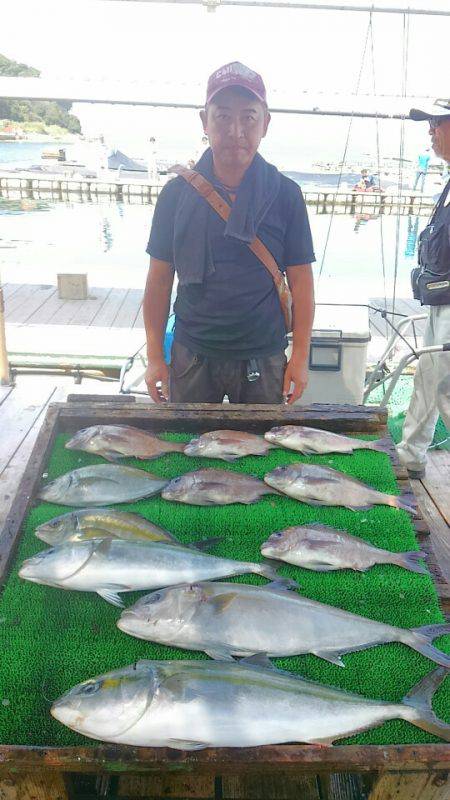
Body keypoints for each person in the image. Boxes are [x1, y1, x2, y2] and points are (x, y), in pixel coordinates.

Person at [143, 62, 315, 404]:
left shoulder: (286, 195)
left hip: (263, 358)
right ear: (204, 121)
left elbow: (302, 282)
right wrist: (153, 357)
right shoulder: (176, 195)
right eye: (222, 116)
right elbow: (159, 281)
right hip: (191, 355)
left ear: (265, 123)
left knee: (261, 453)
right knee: (187, 450)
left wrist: (299, 357)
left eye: (249, 117)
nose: (236, 130)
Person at [396, 99, 450, 479]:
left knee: (446, 387)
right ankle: (410, 457)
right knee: (427, 380)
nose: (430, 131)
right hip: (439, 302)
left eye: (436, 123)